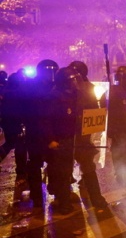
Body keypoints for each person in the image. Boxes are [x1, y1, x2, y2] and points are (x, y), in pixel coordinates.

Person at [68, 61, 108, 209]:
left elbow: (97, 111)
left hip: (78, 135)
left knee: (85, 167)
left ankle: (95, 197)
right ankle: (95, 198)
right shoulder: (89, 89)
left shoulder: (88, 89)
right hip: (78, 135)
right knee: (84, 167)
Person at [44, 66, 83, 214]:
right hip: (59, 140)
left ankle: (62, 196)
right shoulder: (53, 97)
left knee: (66, 170)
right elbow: (45, 121)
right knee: (61, 171)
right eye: (71, 80)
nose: (74, 83)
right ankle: (64, 203)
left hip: (70, 139)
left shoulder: (74, 95)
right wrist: (51, 139)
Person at [23, 59, 59, 208]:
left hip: (49, 132)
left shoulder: (56, 87)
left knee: (53, 164)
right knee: (36, 165)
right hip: (36, 133)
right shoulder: (31, 88)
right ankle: (38, 197)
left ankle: (53, 192)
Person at [0, 71, 28, 184]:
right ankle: (21, 173)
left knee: (11, 143)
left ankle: (21, 173)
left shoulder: (5, 91)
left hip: (7, 122)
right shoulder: (21, 92)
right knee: (20, 147)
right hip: (19, 123)